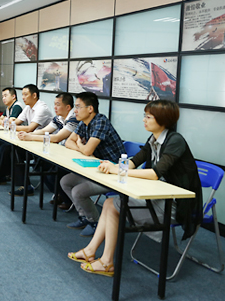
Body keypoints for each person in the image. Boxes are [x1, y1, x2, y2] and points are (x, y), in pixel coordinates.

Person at [67, 100, 203, 277]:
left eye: (148, 117)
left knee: (113, 206)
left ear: (163, 119)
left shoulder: (175, 141)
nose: (144, 120)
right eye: (145, 116)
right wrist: (114, 166)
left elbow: (155, 173)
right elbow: (134, 161)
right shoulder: (154, 139)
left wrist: (118, 170)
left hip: (175, 204)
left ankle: (107, 262)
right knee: (109, 203)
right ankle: (91, 251)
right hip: (157, 196)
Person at [60, 92, 125, 236]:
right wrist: (81, 148)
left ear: (90, 109)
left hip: (112, 173)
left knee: (78, 191)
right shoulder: (84, 123)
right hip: (95, 169)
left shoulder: (101, 121)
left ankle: (94, 222)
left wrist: (81, 146)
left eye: (78, 107)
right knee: (65, 182)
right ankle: (84, 216)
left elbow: (88, 150)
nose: (75, 111)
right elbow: (69, 142)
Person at [17, 92, 77, 208]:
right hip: (61, 153)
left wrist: (31, 137)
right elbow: (45, 130)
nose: (55, 107)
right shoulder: (58, 118)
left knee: (52, 174)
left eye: (58, 104)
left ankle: (68, 199)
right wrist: (28, 134)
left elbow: (57, 138)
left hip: (70, 156)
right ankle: (59, 194)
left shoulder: (74, 119)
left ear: (68, 107)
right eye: (54, 104)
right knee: (41, 166)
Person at [4, 84, 53, 196]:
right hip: (33, 140)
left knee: (14, 150)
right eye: (22, 95)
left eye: (25, 94)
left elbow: (30, 128)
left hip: (46, 144)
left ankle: (25, 185)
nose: (23, 97)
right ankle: (23, 184)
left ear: (34, 95)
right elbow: (16, 122)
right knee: (11, 149)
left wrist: (11, 126)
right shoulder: (28, 108)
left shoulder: (41, 108)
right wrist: (11, 123)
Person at [0, 87, 23, 183]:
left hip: (19, 136)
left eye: (5, 96)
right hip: (12, 134)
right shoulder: (8, 108)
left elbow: (8, 123)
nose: (3, 98)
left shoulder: (17, 106)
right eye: (2, 96)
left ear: (13, 96)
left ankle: (4, 173)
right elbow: (2, 119)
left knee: (4, 146)